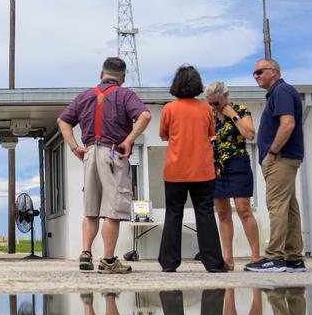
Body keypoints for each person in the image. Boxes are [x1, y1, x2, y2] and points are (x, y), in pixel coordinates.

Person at [56, 57, 152, 273]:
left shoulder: (84, 96)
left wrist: (74, 147)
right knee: (112, 210)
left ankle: (86, 253)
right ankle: (108, 261)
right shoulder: (125, 94)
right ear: (123, 78)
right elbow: (145, 115)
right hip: (113, 154)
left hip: (90, 153)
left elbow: (63, 120)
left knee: (91, 209)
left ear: (101, 75)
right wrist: (128, 140)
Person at [157, 65, 227, 273]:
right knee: (205, 213)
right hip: (202, 169)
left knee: (173, 213)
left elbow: (163, 135)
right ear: (197, 85)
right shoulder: (206, 109)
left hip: (175, 169)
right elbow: (210, 133)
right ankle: (213, 262)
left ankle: (169, 262)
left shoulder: (169, 108)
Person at [246, 58, 306, 273]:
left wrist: (271, 152)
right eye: (254, 73)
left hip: (280, 158)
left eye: (260, 72)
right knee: (289, 208)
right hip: (285, 158)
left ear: (274, 71)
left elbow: (287, 124)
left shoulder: (281, 91)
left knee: (277, 206)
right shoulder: (279, 93)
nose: (256, 76)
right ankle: (294, 257)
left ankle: (275, 257)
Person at [206, 81, 262, 271]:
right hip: (216, 168)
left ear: (225, 97)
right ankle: (227, 259)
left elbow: (250, 134)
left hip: (237, 164)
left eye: (216, 103)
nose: (213, 107)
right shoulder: (209, 115)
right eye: (210, 103)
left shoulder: (240, 110)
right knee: (222, 214)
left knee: (244, 209)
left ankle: (255, 257)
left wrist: (234, 116)